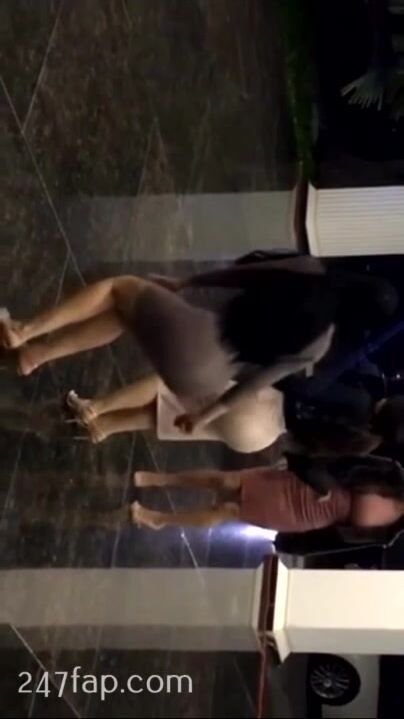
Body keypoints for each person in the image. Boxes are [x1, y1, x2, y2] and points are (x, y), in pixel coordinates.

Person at [0, 257, 397, 436]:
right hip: (203, 381)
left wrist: (185, 283)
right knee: (127, 314)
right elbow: (254, 383)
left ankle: (24, 330)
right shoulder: (319, 347)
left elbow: (241, 274)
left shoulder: (310, 271)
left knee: (119, 288)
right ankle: (35, 356)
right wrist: (203, 416)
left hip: (198, 335)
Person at [128, 457, 404, 532]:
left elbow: (337, 542)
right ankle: (161, 479)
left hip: (305, 516)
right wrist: (302, 464)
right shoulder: (393, 473)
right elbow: (344, 458)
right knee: (226, 480)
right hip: (305, 482)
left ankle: (159, 519)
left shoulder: (392, 531)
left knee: (228, 511)